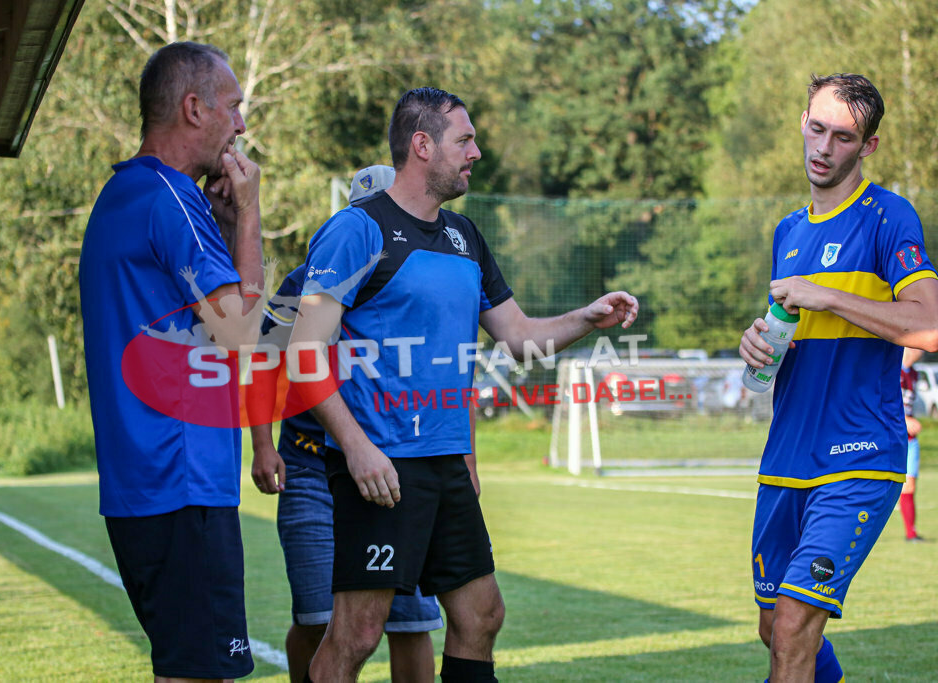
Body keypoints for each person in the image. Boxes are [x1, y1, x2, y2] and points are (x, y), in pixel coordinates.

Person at [288, 87, 639, 682]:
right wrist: (356, 447)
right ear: (422, 146)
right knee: (356, 634)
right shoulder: (355, 230)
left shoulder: (465, 237)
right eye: (465, 139)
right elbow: (303, 354)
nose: (476, 151)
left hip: (447, 465)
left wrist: (587, 318)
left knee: (481, 616)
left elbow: (520, 336)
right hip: (382, 468)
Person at [739, 73, 938, 682]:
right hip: (786, 454)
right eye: (817, 128)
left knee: (797, 623)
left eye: (844, 137)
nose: (824, 147)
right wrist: (757, 344)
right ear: (803, 122)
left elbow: (929, 327)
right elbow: (799, 329)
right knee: (774, 628)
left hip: (857, 455)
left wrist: (825, 295)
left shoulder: (888, 218)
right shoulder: (788, 231)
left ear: (867, 147)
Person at [79, 41, 263, 682]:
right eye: (233, 107)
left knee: (182, 667)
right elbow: (240, 335)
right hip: (182, 478)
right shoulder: (173, 197)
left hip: (138, 484)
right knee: (198, 674)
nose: (240, 125)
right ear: (194, 108)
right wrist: (246, 218)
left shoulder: (119, 195)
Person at [251, 166, 444, 683]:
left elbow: (442, 368)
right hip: (313, 468)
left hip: (395, 466)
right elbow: (264, 366)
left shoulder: (418, 280)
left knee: (411, 620)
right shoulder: (305, 284)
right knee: (318, 619)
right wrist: (262, 446)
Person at [900, 347, 925, 541]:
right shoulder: (893, 370)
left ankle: (911, 533)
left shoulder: (914, 374)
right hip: (894, 437)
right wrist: (904, 420)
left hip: (911, 440)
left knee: (910, 485)